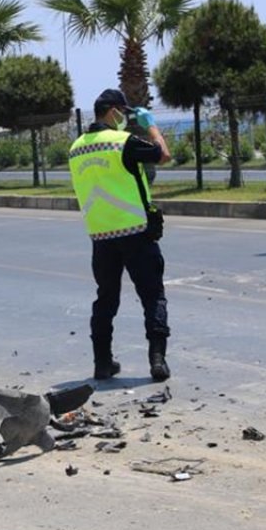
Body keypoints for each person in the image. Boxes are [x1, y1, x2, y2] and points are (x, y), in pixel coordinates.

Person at [68, 89, 173, 383]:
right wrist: (150, 125)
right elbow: (162, 154)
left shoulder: (76, 148)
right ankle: (157, 361)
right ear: (113, 111)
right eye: (123, 113)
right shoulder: (122, 142)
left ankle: (102, 363)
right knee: (153, 297)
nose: (125, 119)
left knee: (106, 300)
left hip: (101, 236)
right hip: (136, 231)